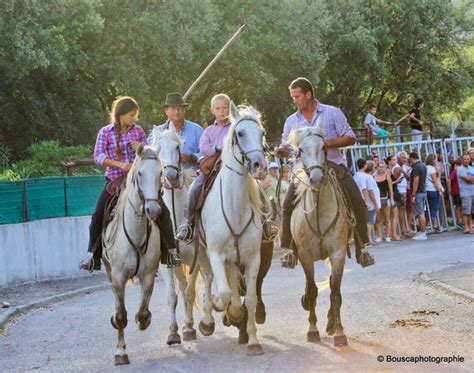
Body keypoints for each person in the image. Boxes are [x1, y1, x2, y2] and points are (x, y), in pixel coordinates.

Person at [275, 77, 374, 268]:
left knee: (358, 201)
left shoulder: (332, 113)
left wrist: (328, 143)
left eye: (297, 96)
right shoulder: (291, 121)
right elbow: (289, 147)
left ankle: (363, 248)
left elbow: (350, 137)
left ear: (308, 94)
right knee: (287, 204)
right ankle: (289, 249)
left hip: (333, 166)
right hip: (304, 170)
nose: (294, 100)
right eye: (292, 97)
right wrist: (281, 150)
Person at [79, 96, 180, 271]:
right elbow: (99, 156)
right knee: (97, 215)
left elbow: (150, 154)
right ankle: (92, 256)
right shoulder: (106, 132)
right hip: (115, 182)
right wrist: (120, 165)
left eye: (135, 115)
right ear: (121, 114)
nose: (134, 119)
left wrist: (141, 147)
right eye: (131, 115)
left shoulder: (138, 131)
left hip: (139, 182)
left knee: (162, 212)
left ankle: (170, 252)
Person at [174, 94, 278, 243]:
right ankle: (188, 224)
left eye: (225, 108)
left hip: (236, 169)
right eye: (218, 108)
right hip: (212, 168)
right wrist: (218, 148)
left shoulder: (236, 127)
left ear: (230, 110)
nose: (222, 111)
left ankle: (264, 222)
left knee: (258, 189)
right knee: (194, 189)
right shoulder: (209, 131)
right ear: (212, 110)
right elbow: (204, 147)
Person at [150, 93, 203, 170]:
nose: (177, 111)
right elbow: (150, 155)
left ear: (184, 110)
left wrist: (191, 157)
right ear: (166, 111)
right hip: (164, 177)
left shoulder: (197, 130)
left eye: (180, 108)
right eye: (173, 108)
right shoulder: (158, 132)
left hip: (192, 177)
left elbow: (206, 153)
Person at [392, 151, 412, 237]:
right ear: (397, 158)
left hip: (404, 190)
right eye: (402, 157)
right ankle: (403, 230)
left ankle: (406, 229)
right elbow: (394, 180)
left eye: (405, 158)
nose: (404, 159)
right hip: (399, 191)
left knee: (403, 210)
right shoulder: (397, 168)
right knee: (401, 211)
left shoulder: (403, 167)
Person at [374, 160, 394, 242]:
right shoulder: (374, 177)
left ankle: (388, 236)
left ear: (385, 168)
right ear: (377, 167)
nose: (381, 168)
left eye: (382, 167)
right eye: (380, 167)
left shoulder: (387, 177)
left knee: (387, 219)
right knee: (378, 219)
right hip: (377, 200)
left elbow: (390, 189)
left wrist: (392, 199)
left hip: (386, 199)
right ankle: (379, 236)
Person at [409, 152, 428, 240]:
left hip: (418, 192)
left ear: (412, 158)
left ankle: (423, 233)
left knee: (420, 213)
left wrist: (413, 194)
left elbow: (416, 181)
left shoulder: (416, 167)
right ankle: (422, 232)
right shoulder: (423, 165)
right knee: (421, 212)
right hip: (423, 191)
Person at [425, 154, 444, 233]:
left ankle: (425, 225)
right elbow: (435, 181)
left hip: (426, 189)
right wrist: (439, 190)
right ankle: (435, 225)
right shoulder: (432, 169)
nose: (436, 161)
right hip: (433, 189)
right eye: (435, 159)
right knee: (434, 208)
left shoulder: (425, 167)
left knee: (428, 208)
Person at [456, 154, 474, 233]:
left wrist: (471, 179)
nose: (467, 160)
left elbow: (471, 179)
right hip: (465, 193)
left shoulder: (471, 168)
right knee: (466, 211)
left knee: (471, 211)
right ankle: (466, 227)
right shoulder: (460, 169)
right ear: (462, 160)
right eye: (465, 159)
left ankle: (470, 227)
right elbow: (467, 179)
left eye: (468, 159)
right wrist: (471, 179)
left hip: (472, 192)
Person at [386, 155, 402, 241]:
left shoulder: (390, 170)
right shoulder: (388, 170)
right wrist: (397, 181)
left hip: (392, 193)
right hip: (391, 194)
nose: (394, 161)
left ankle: (393, 234)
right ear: (389, 161)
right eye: (392, 160)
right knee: (394, 215)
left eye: (394, 159)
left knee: (393, 215)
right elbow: (388, 183)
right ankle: (394, 235)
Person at [448, 159, 463, 228]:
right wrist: (449, 189)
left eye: (459, 165)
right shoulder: (454, 172)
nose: (457, 167)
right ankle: (458, 221)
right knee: (458, 206)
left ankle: (461, 220)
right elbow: (449, 180)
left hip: (461, 191)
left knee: (461, 207)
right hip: (457, 191)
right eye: (456, 165)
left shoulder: (460, 172)